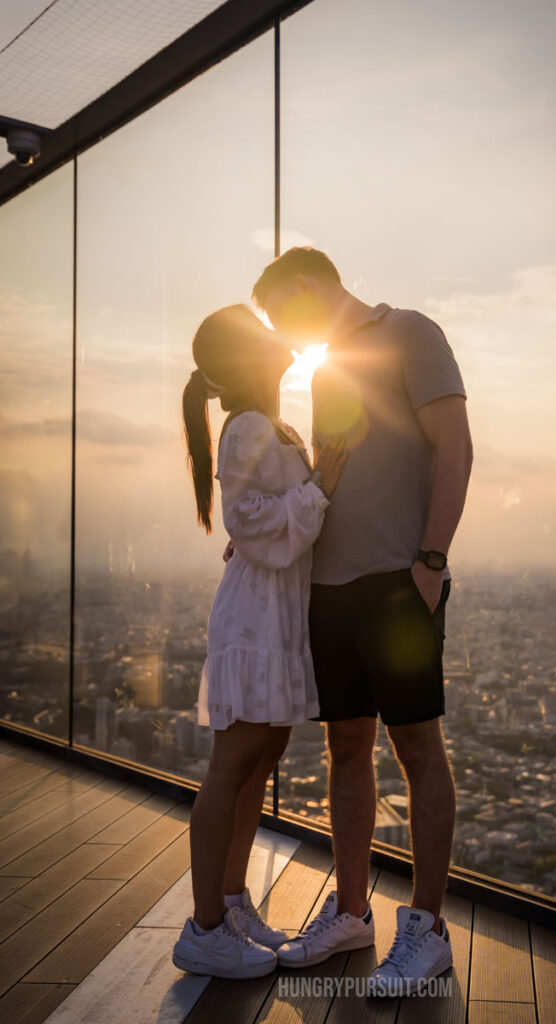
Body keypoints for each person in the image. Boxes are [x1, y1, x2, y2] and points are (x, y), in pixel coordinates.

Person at [243, 247, 473, 996]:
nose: (286, 331)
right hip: (331, 589)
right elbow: (332, 472)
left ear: (308, 287)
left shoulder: (412, 333)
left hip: (397, 584)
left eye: (284, 313)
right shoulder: (327, 369)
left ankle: (426, 929)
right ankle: (349, 913)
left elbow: (455, 448)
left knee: (416, 749)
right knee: (346, 748)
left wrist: (430, 563)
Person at [172, 303, 347, 980]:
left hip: (275, 613)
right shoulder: (245, 426)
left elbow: (262, 522)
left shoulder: (268, 426)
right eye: (262, 335)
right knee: (235, 760)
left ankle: (229, 901)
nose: (279, 342)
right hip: (256, 616)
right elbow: (249, 525)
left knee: (257, 757)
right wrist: (322, 484)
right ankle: (204, 928)